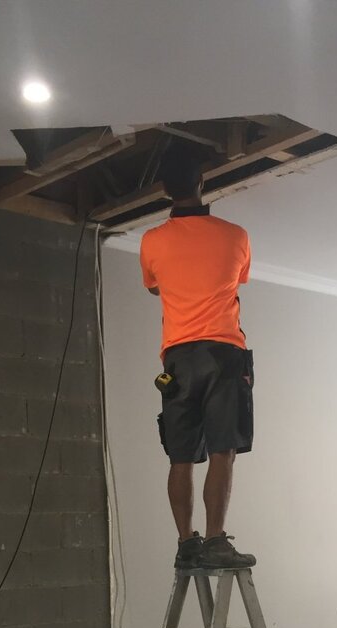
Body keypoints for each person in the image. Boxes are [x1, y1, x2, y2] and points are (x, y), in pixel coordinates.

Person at [140, 147, 256, 571]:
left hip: (177, 360)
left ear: (164, 190)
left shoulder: (151, 241)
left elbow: (155, 286)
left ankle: (186, 542)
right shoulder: (236, 236)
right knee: (223, 449)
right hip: (223, 353)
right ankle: (215, 540)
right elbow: (238, 279)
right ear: (202, 182)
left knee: (181, 456)